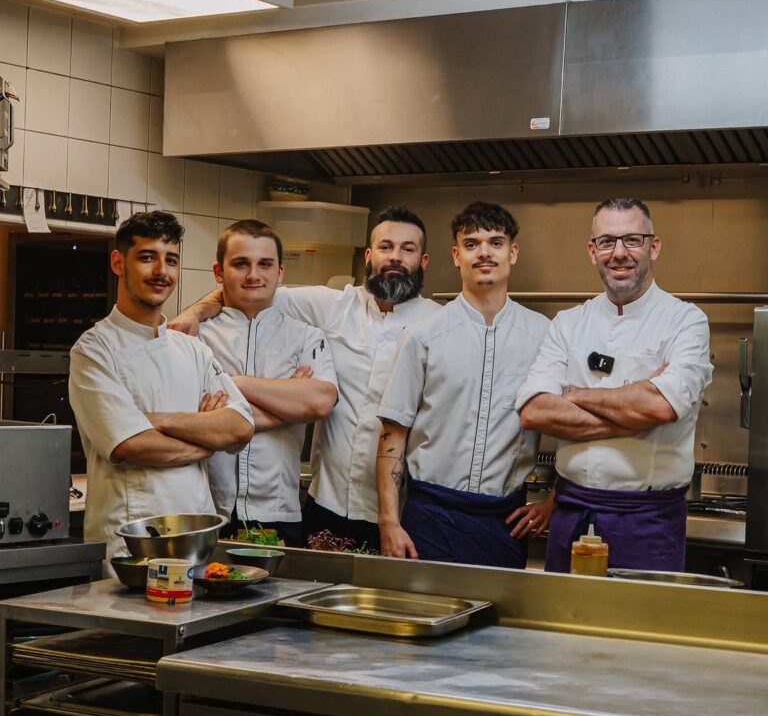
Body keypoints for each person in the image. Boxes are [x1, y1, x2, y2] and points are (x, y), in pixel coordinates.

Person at [170, 205, 442, 551]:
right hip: (327, 501)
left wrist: (229, 386)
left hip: (403, 510)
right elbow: (247, 289)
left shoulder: (439, 324)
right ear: (369, 256)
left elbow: (320, 401)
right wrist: (195, 312)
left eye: (408, 249)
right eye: (386, 247)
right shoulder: (333, 305)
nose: (395, 257)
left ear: (424, 260)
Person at [515, 196, 713, 573]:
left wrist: (575, 395)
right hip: (571, 514)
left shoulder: (686, 321)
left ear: (654, 247)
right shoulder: (568, 323)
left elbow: (659, 406)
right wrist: (636, 412)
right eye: (607, 241)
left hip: (648, 523)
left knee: (640, 615)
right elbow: (534, 411)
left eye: (632, 240)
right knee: (562, 615)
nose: (619, 253)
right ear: (592, 251)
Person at [68, 210, 254, 565]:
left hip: (197, 537)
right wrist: (207, 440)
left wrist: (156, 420)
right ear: (118, 263)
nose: (161, 271)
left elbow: (240, 427)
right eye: (147, 257)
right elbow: (131, 444)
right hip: (132, 546)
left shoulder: (193, 350)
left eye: (171, 260)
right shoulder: (93, 350)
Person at [376, 201, 553, 567]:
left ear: (513, 252)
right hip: (430, 515)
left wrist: (555, 500)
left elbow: (572, 427)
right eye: (471, 244)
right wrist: (388, 521)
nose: (484, 252)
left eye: (495, 243)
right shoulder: (423, 335)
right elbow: (393, 434)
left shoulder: (545, 336)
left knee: (500, 607)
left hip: (504, 521)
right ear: (457, 256)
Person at [198, 220, 338, 547]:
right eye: (240, 264)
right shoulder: (196, 338)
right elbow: (192, 419)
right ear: (218, 272)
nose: (253, 275)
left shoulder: (306, 336)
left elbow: (319, 402)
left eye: (265, 264)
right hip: (207, 511)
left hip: (279, 511)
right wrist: (287, 402)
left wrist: (232, 385)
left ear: (280, 273)